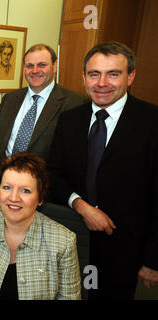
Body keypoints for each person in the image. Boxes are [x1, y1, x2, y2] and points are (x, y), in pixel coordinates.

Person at [48, 41, 158, 299]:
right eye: (94, 74)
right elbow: (53, 173)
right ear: (83, 77)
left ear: (130, 76)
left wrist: (153, 260)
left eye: (113, 74)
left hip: (125, 248)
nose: (102, 83)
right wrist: (81, 205)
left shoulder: (152, 122)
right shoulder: (70, 119)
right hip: (72, 235)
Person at [0, 151, 80, 300]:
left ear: (40, 199)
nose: (14, 198)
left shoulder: (64, 241)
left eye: (25, 191)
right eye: (7, 187)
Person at [0, 44, 86, 169]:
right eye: (29, 66)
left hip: (44, 183)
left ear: (55, 66)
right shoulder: (9, 99)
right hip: (4, 178)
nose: (35, 71)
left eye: (42, 65)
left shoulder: (74, 102)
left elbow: (75, 154)